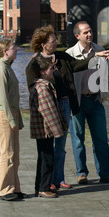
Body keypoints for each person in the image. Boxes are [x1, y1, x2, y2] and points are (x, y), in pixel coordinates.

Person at [25, 25, 109, 190]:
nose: (56, 42)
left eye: (56, 40)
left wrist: (95, 55)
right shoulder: (35, 63)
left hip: (65, 104)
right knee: (48, 147)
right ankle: (47, 182)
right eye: (53, 41)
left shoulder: (61, 57)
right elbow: (32, 88)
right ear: (43, 44)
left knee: (61, 146)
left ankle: (58, 179)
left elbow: (78, 65)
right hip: (50, 106)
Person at [66, 21, 109, 185]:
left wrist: (104, 94)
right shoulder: (70, 53)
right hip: (78, 101)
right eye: (85, 33)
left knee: (101, 139)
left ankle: (105, 172)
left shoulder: (100, 50)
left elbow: (106, 75)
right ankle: (82, 173)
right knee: (78, 139)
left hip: (95, 100)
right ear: (77, 36)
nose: (89, 35)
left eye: (90, 31)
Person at [0, 39, 25, 201]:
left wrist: (18, 120)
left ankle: (14, 188)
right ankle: (4, 190)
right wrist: (12, 120)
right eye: (13, 48)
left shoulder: (7, 67)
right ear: (5, 52)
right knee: (7, 153)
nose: (16, 50)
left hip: (10, 113)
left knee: (15, 153)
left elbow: (13, 97)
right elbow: (3, 98)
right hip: (4, 114)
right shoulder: (1, 68)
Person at [29, 55, 67, 198]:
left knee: (43, 158)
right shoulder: (43, 88)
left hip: (41, 129)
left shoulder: (39, 85)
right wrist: (58, 131)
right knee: (47, 159)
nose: (54, 71)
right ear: (43, 71)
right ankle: (43, 188)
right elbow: (48, 111)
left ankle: (39, 186)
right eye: (52, 68)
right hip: (45, 130)